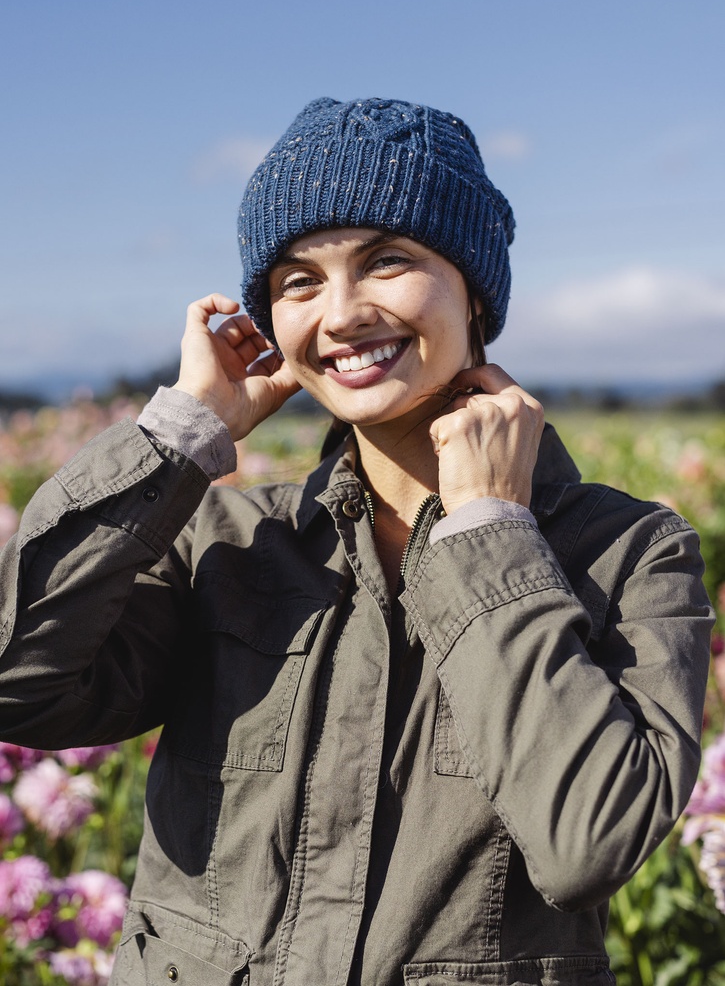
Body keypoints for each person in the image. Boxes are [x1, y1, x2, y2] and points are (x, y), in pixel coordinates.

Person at [0, 97, 714, 986]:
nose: (339, 315)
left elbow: (587, 842)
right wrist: (179, 436)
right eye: (298, 280)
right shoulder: (225, 540)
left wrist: (491, 531)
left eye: (387, 261)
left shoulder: (630, 554)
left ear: (474, 290)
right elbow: (21, 690)